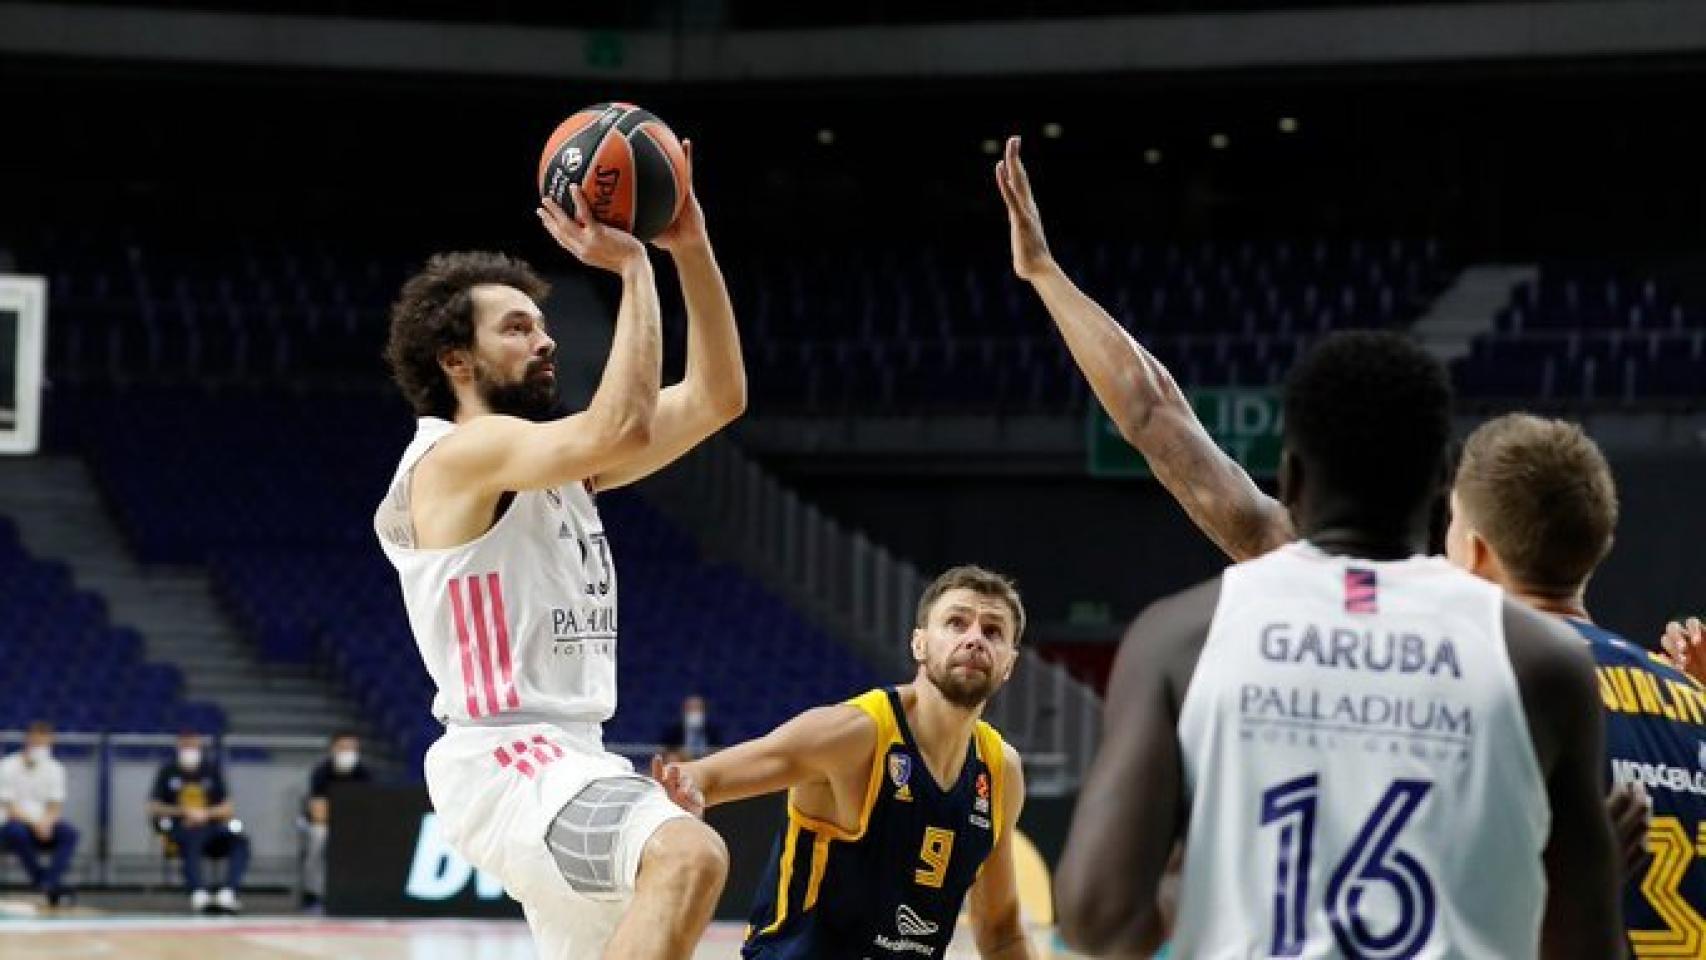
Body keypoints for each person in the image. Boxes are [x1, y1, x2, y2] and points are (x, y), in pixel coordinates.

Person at [995, 136, 1665, 952]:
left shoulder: (1205, 623)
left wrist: (1046, 277)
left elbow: (1155, 415)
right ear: (1441, 491)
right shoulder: (1531, 653)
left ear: (1295, 478)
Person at [1049, 330, 1620, 956]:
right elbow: (1584, 946)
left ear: (1290, 478)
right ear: (1441, 483)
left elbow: (1097, 919)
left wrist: (1207, 875)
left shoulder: (1181, 635)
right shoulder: (1544, 659)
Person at [375, 141, 743, 959]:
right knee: (687, 854)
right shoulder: (455, 457)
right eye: (517, 328)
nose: (545, 342)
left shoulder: (554, 467)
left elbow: (720, 395)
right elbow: (625, 424)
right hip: (509, 756)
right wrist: (636, 273)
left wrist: (691, 247)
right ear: (455, 359)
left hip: (571, 755)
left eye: (543, 324)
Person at [656, 565, 1036, 960]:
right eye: (956, 623)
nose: (975, 639)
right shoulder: (854, 735)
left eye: (993, 631)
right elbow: (705, 777)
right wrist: (681, 798)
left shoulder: (999, 771)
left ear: (1009, 663)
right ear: (919, 644)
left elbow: (1000, 933)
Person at [148, 731, 250, 914]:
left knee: (239, 840)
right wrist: (184, 812)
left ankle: (228, 892)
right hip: (181, 827)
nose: (190, 750)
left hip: (212, 826)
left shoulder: (211, 770)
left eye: (193, 745)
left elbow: (228, 807)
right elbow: (154, 806)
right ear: (178, 747)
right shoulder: (168, 771)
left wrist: (205, 814)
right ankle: (198, 893)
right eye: (186, 745)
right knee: (192, 838)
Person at [0, 721, 78, 906]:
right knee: (17, 833)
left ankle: (49, 882)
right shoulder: (7, 766)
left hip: (44, 824)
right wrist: (35, 824)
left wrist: (47, 823)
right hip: (13, 822)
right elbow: (8, 805)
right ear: (28, 741)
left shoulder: (55, 768)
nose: (41, 748)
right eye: (37, 743)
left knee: (69, 834)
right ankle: (41, 880)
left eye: (45, 744)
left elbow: (55, 804)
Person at [301, 730, 372, 909]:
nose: (349, 752)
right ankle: (314, 893)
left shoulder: (364, 774)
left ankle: (360, 893)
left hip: (355, 825)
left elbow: (370, 806)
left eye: (352, 748)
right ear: (333, 749)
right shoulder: (322, 773)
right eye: (344, 747)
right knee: (319, 836)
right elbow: (318, 812)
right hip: (325, 824)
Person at [660, 695, 722, 761]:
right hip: (682, 762)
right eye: (691, 708)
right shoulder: (673, 730)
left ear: (704, 711)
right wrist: (680, 754)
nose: (695, 711)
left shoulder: (713, 731)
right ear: (684, 711)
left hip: (706, 763)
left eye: (698, 708)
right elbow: (666, 750)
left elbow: (719, 750)